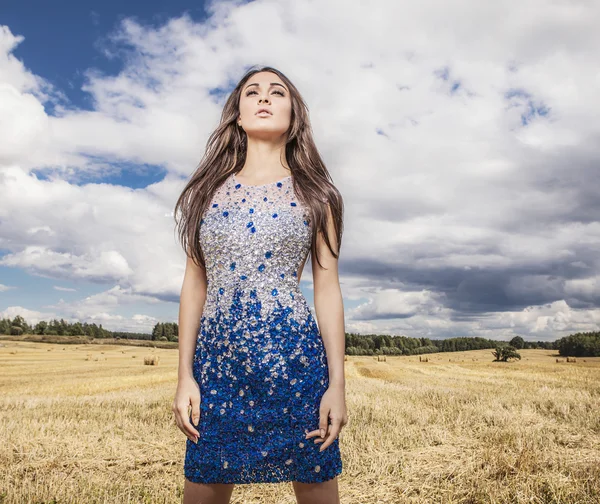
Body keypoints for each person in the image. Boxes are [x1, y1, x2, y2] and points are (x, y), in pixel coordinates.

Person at [172, 65, 348, 504]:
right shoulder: (206, 192)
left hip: (295, 366)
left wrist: (337, 386)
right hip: (218, 369)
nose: (264, 97)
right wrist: (184, 377)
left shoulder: (318, 194)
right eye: (252, 92)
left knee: (317, 489)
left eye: (277, 92)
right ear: (237, 113)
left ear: (294, 115)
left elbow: (327, 290)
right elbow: (194, 285)